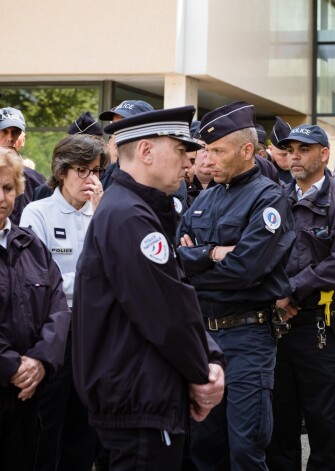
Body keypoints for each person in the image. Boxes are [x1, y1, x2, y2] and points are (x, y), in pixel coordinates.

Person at [72, 106, 225, 471]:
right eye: (179, 150)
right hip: (139, 398)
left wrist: (207, 359)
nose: (188, 162)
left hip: (139, 394)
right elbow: (167, 314)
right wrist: (204, 371)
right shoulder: (129, 216)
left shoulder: (131, 209)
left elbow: (174, 300)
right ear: (145, 151)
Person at [177, 101, 294, 471]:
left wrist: (199, 258)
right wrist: (213, 254)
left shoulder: (268, 197)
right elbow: (177, 261)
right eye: (205, 150)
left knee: (246, 447)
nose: (207, 159)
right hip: (204, 338)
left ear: (246, 151)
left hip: (248, 339)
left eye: (217, 150)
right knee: (204, 446)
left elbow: (246, 268)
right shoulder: (205, 198)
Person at [266, 124, 335, 471]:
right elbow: (259, 253)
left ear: (324, 154)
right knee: (279, 431)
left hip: (323, 330)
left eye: (304, 149)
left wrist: (289, 288)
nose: (295, 155)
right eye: (290, 149)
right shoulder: (274, 198)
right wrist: (276, 295)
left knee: (328, 430)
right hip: (280, 327)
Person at [20, 134, 107, 471]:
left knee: (85, 430)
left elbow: (117, 271)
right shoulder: (37, 212)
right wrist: (88, 282)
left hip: (94, 333)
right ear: (61, 171)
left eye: (96, 171)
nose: (91, 180)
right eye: (82, 171)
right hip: (54, 333)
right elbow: (42, 283)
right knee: (47, 426)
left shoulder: (103, 212)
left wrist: (101, 216)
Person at [0, 147, 69, 471]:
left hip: (30, 397)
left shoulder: (31, 245)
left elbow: (58, 306)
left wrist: (41, 360)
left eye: (7, 188)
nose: (1, 197)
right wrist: (11, 365)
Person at [0, 107, 47, 224]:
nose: (10, 138)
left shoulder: (37, 180)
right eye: (4, 131)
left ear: (23, 139)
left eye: (15, 132)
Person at [98, 99, 154, 189]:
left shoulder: (164, 177)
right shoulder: (104, 175)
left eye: (124, 127)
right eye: (114, 126)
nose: (116, 134)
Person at [269, 116, 293, 184]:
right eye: (283, 155)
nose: (289, 159)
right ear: (271, 149)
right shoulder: (264, 169)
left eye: (291, 152)